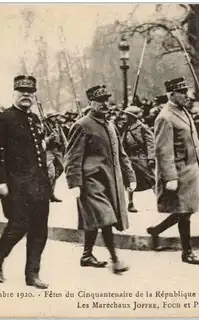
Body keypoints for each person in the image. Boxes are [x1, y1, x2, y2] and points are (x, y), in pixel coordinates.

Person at [0, 75, 51, 289]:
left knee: (40, 230)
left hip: (39, 186)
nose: (26, 95)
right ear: (14, 93)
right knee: (18, 226)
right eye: (22, 91)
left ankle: (32, 274)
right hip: (15, 186)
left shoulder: (34, 119)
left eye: (30, 92)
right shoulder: (2, 118)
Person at [65, 84, 136, 274]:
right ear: (91, 103)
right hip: (91, 182)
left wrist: (130, 177)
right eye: (100, 101)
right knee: (105, 218)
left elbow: (121, 154)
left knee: (97, 218)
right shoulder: (82, 125)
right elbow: (72, 156)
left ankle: (86, 255)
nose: (105, 104)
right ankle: (115, 260)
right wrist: (74, 183)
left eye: (106, 100)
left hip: (109, 182)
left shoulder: (110, 125)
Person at [147, 77, 199, 264]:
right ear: (171, 94)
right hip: (180, 171)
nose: (186, 96)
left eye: (186, 91)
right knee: (185, 212)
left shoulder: (183, 111)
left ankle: (157, 231)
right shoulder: (165, 117)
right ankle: (186, 252)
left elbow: (189, 135)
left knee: (187, 210)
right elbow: (163, 151)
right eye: (182, 92)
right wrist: (170, 177)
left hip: (192, 169)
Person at [121, 105, 156, 213]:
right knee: (130, 180)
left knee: (151, 179)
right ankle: (130, 203)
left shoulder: (142, 127)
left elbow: (151, 143)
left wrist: (151, 158)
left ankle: (161, 200)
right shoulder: (126, 127)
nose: (124, 117)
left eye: (127, 115)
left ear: (132, 116)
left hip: (141, 157)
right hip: (130, 158)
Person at [44, 112, 68, 202]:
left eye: (55, 116)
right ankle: (47, 193)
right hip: (49, 151)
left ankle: (51, 193)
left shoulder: (57, 126)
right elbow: (41, 140)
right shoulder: (44, 127)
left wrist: (67, 147)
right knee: (51, 173)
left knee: (60, 170)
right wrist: (48, 139)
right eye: (53, 117)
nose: (55, 118)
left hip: (58, 151)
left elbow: (63, 138)